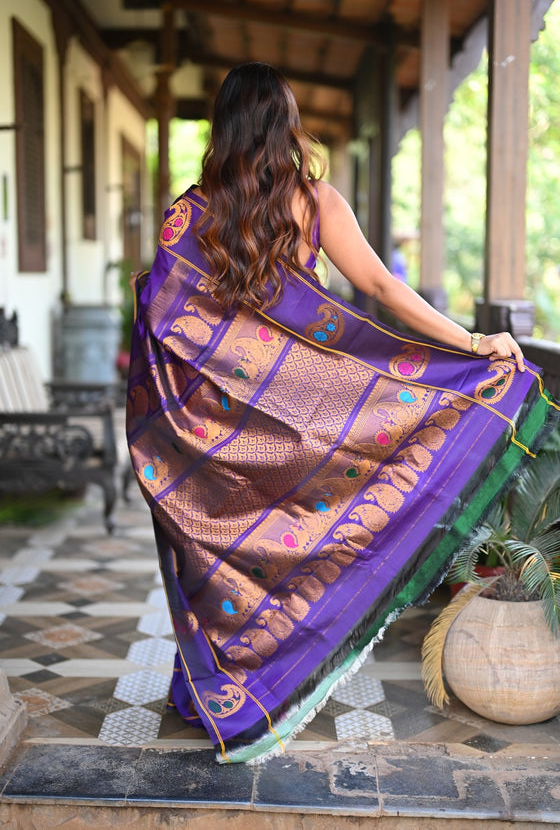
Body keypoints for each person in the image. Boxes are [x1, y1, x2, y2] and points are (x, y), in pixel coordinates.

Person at [127, 63, 559, 764]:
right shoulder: (313, 201)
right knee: (294, 545)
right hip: (301, 425)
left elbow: (162, 321)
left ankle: (218, 688)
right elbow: (383, 287)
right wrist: (474, 344)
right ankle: (269, 676)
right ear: (284, 125)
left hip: (218, 434)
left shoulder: (191, 214)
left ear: (225, 129)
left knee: (223, 557)